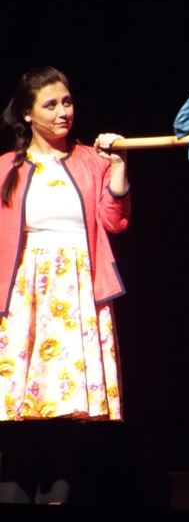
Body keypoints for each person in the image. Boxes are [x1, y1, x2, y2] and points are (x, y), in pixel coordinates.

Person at [0, 66, 130, 503]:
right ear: (27, 113)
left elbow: (115, 221)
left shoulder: (91, 160)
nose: (63, 112)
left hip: (76, 295)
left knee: (64, 421)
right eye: (51, 104)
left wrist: (118, 167)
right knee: (17, 419)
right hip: (24, 299)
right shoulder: (6, 168)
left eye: (67, 102)